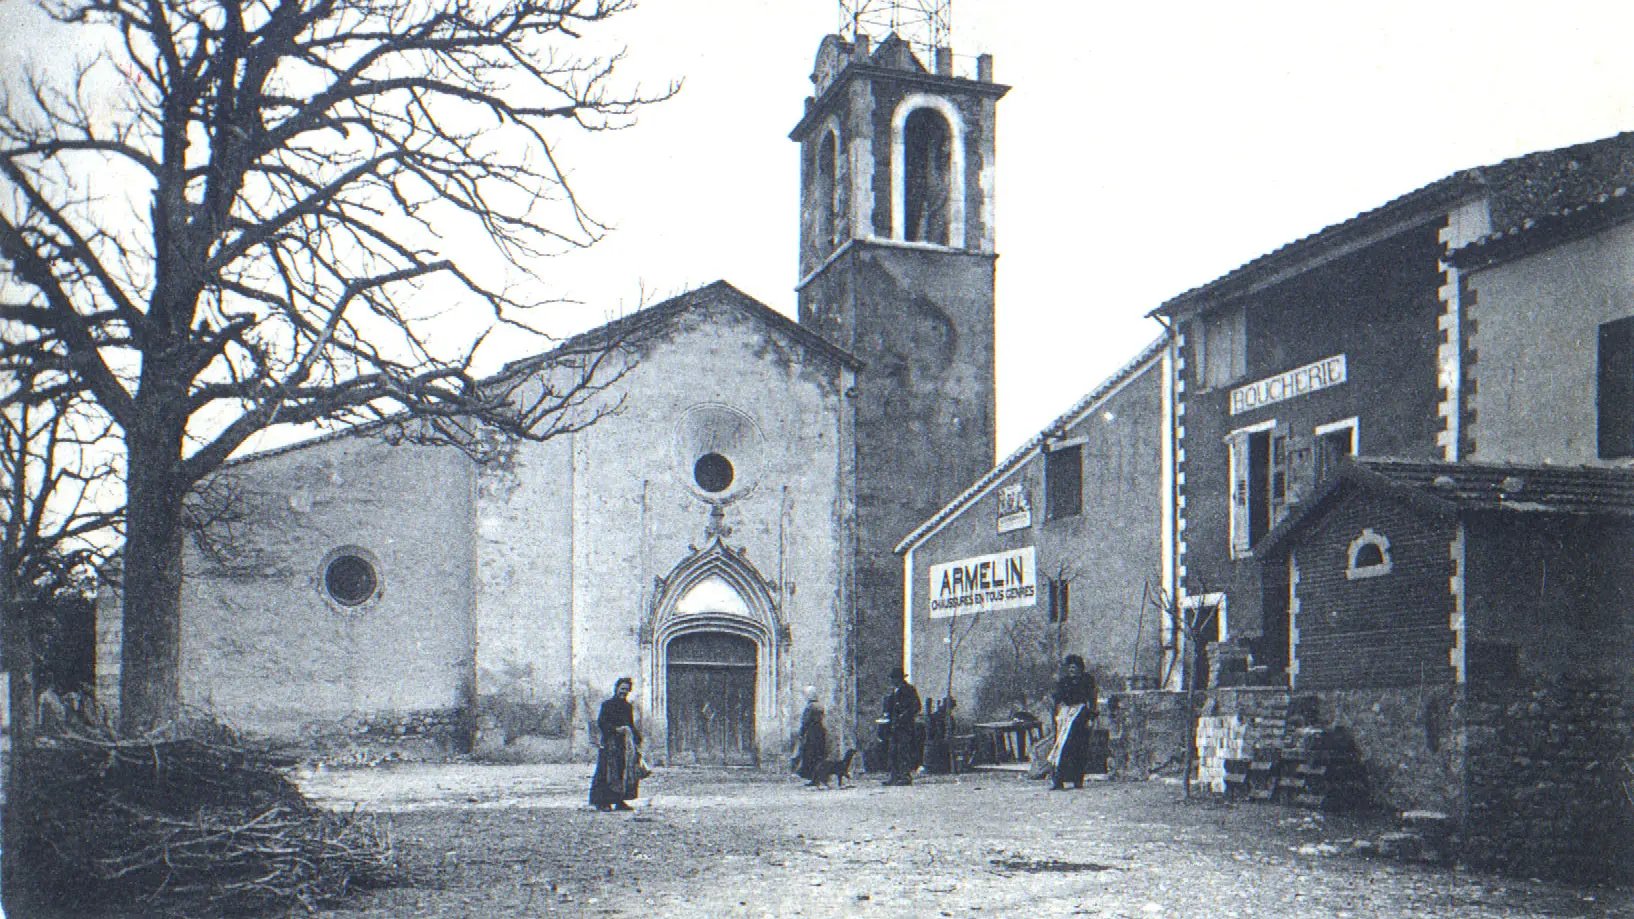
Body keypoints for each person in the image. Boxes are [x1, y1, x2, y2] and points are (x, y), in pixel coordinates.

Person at [590, 677, 644, 811]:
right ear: (616, 688)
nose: (624, 692)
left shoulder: (627, 707)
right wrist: (615, 729)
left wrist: (637, 738)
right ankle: (602, 802)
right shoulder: (607, 705)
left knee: (623, 772)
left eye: (627, 690)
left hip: (624, 744)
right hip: (610, 742)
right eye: (622, 689)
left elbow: (630, 724)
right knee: (606, 772)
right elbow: (601, 723)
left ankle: (620, 801)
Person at [1048, 655, 1098, 790]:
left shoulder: (1087, 681)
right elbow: (1057, 698)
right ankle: (1058, 780)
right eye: (1070, 668)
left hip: (1080, 715)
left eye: (1075, 668)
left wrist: (1092, 717)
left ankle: (1078, 779)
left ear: (1080, 669)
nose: (1072, 671)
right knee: (1062, 747)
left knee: (1079, 748)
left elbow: (1092, 699)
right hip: (1066, 716)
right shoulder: (1064, 682)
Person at [882, 667, 921, 786]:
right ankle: (894, 776)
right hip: (894, 726)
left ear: (899, 679)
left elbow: (916, 706)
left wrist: (905, 716)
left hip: (905, 727)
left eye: (894, 679)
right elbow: (890, 707)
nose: (892, 681)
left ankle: (905, 776)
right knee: (893, 751)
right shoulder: (894, 692)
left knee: (904, 751)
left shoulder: (909, 690)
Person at [794, 686, 828, 781]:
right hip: (820, 732)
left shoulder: (810, 707)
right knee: (818, 754)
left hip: (812, 732)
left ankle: (810, 775)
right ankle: (819, 776)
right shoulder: (820, 706)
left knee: (810, 754)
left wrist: (801, 732)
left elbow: (806, 721)